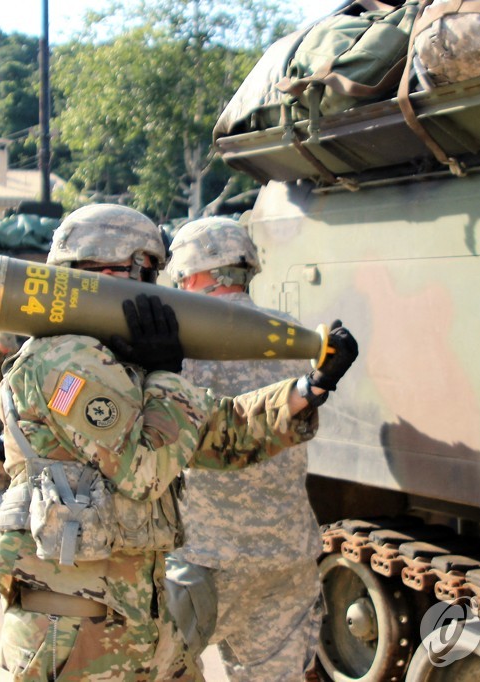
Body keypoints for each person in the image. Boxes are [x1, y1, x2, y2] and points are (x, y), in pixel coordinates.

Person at [0, 204, 358, 681]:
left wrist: (309, 390)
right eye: (146, 273)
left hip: (138, 614)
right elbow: (144, 470)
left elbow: (212, 429)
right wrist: (165, 373)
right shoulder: (63, 360)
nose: (155, 288)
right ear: (115, 272)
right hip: (78, 626)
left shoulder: (113, 357)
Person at [164, 217, 324, 681]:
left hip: (206, 560)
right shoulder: (293, 336)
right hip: (287, 554)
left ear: (191, 274)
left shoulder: (179, 347)